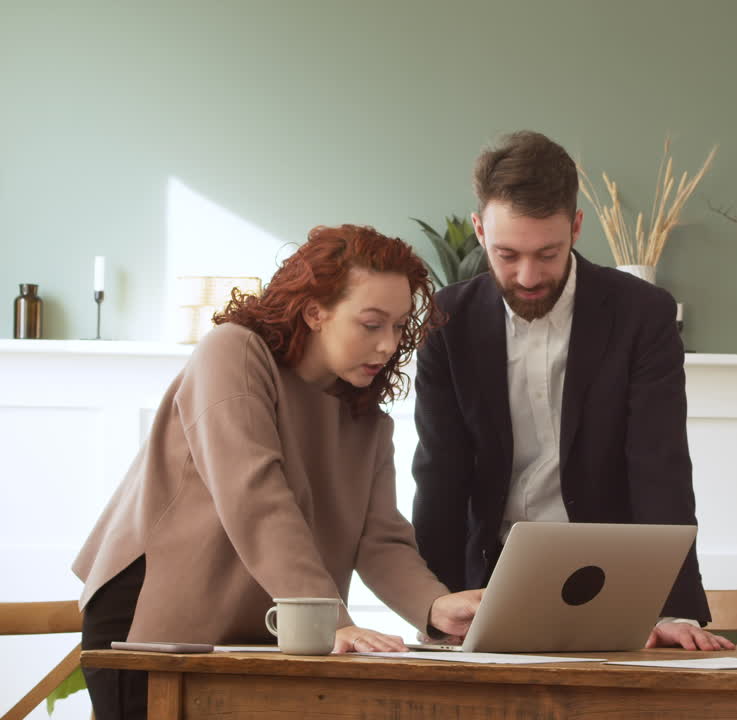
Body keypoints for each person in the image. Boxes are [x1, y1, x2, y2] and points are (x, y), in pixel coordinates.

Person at [73, 225, 483, 719]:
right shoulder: (233, 352)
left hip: (267, 629)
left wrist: (435, 609)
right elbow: (255, 498)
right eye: (371, 324)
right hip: (154, 621)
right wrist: (330, 621)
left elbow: (380, 539)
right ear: (315, 312)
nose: (387, 347)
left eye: (398, 328)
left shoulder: (365, 419)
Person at [411, 130, 731, 651]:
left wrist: (673, 607)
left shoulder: (642, 315)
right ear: (478, 229)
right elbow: (440, 473)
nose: (528, 275)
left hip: (612, 575)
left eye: (548, 253)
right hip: (483, 578)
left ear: (576, 227)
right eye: (506, 254)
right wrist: (430, 607)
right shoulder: (446, 320)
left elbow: (659, 464)